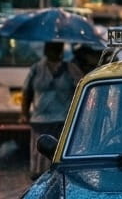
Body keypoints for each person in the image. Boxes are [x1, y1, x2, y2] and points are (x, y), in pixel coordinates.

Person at [21, 41, 79, 177]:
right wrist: (24, 114)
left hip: (63, 121)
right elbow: (26, 92)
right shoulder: (36, 69)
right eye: (52, 48)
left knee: (59, 159)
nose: (55, 52)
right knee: (40, 162)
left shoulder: (70, 69)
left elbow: (80, 88)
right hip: (40, 121)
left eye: (57, 48)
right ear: (46, 51)